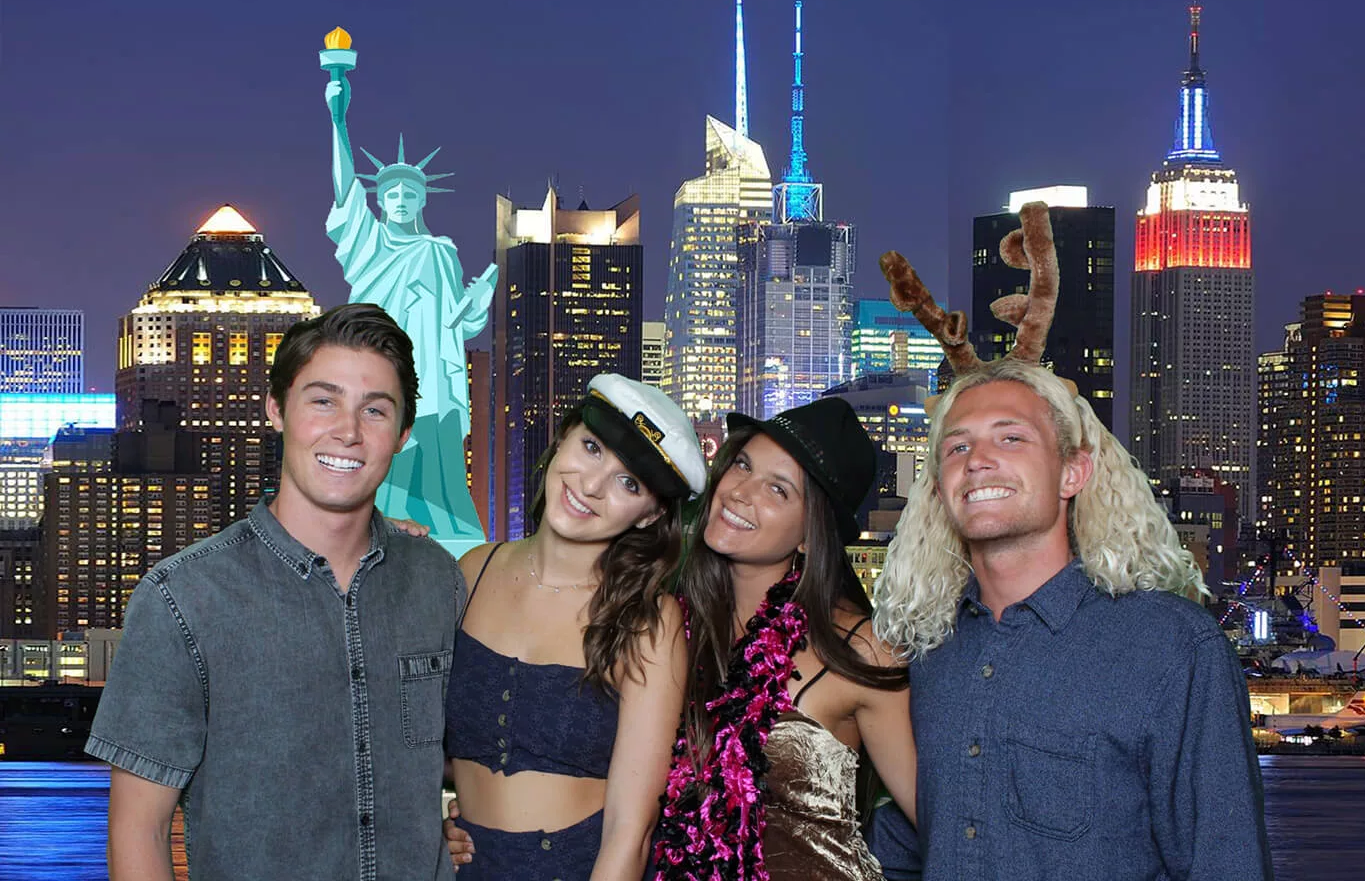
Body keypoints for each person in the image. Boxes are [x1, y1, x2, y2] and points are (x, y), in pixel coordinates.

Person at [87, 303, 466, 880]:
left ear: (402, 435)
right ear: (275, 409)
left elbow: (467, 758)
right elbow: (140, 830)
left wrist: (463, 824)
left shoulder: (437, 580)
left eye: (375, 410)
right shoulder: (182, 598)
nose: (348, 431)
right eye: (323, 401)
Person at [871, 359, 1272, 880]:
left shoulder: (1172, 647)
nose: (978, 461)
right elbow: (904, 850)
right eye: (958, 447)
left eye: (1011, 438)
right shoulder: (927, 651)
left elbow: (1226, 861)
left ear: (1072, 473)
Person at [445, 373, 706, 880]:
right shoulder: (472, 571)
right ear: (563, 437)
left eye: (628, 484)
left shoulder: (648, 623)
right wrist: (430, 831)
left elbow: (630, 831)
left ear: (650, 515)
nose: (590, 486)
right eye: (591, 448)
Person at [650, 398, 916, 880]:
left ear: (811, 535)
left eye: (778, 489)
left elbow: (947, 825)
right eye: (742, 465)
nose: (739, 492)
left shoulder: (862, 649)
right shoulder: (671, 624)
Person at [325, 60, 497, 543]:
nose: (400, 199)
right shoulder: (369, 244)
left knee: (436, 458)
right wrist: (338, 121)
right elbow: (345, 189)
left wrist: (478, 301)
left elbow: (459, 326)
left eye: (409, 193)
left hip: (432, 380)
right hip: (379, 369)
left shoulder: (439, 251)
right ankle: (377, 520)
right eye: (392, 192)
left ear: (423, 200)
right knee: (381, 440)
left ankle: (445, 528)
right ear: (380, 200)